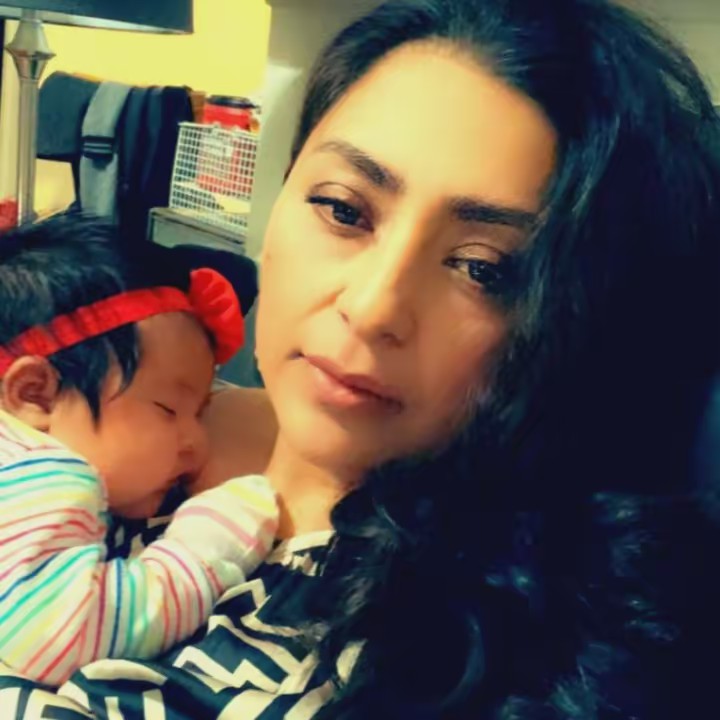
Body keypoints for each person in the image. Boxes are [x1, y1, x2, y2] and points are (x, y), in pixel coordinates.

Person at [2, 0, 719, 717]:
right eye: (344, 209)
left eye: (483, 269)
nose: (373, 306)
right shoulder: (88, 403)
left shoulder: (479, 650)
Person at [0, 216, 278, 687]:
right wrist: (202, 553)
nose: (198, 442)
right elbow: (59, 636)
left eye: (201, 411)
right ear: (35, 394)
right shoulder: (44, 470)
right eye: (169, 409)